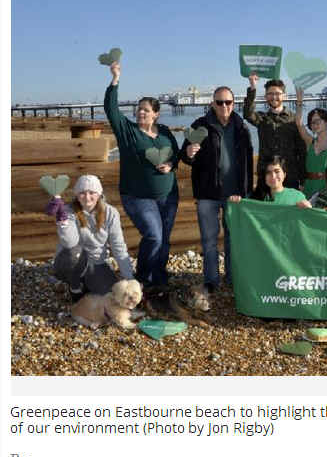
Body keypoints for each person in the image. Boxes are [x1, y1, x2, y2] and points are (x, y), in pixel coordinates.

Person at [103, 61, 179, 308]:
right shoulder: (129, 132)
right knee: (154, 236)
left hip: (168, 194)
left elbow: (175, 154)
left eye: (146, 110)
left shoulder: (166, 132)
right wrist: (115, 80)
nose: (140, 113)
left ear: (156, 113)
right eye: (139, 109)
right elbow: (111, 110)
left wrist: (170, 166)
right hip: (137, 195)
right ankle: (142, 280)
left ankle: (159, 277)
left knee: (164, 239)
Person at [180, 86, 254, 301]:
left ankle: (232, 278)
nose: (224, 106)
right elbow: (185, 156)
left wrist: (247, 191)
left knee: (234, 239)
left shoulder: (241, 126)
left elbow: (248, 160)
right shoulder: (200, 125)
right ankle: (211, 281)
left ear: (234, 103)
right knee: (209, 241)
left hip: (236, 195)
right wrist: (188, 153)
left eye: (228, 102)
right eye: (220, 102)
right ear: (213, 103)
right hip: (208, 194)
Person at [47, 175, 136, 302]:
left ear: (99, 194)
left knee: (109, 295)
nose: (87, 197)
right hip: (73, 260)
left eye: (92, 192)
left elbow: (118, 246)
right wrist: (63, 223)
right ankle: (75, 286)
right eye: (82, 193)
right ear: (77, 195)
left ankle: (88, 282)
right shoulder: (67, 211)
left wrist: (129, 278)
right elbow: (69, 243)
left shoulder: (111, 213)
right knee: (73, 253)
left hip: (96, 263)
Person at [244, 74, 308, 195]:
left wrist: (302, 179)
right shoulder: (262, 118)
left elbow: (302, 150)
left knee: (289, 211)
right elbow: (247, 113)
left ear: (284, 95)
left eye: (277, 93)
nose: (274, 97)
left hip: (290, 176)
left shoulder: (294, 119)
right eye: (270, 94)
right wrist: (252, 87)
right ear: (265, 96)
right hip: (266, 176)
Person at [231, 157, 311, 208]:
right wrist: (235, 202)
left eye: (277, 171)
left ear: (284, 174)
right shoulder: (255, 198)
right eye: (268, 173)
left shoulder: (296, 196)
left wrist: (308, 208)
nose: (273, 176)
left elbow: (309, 220)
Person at [299, 106, 327, 198]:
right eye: (312, 122)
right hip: (308, 186)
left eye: (318, 121)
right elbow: (299, 123)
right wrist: (300, 102)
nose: (315, 124)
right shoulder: (309, 141)